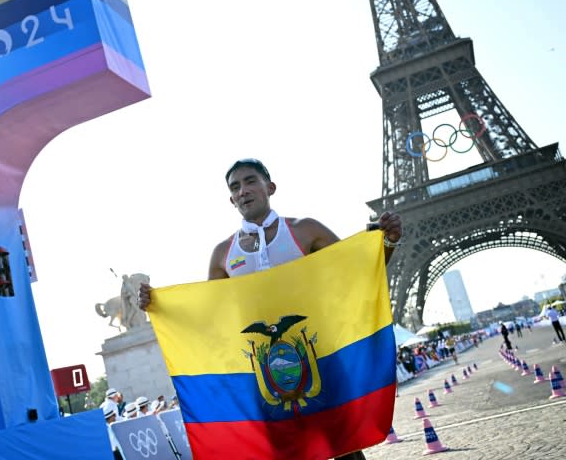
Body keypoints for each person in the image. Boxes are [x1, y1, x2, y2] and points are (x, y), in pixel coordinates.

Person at [139, 158, 402, 460]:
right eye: (235, 187)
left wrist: (389, 242)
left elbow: (358, 273)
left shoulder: (305, 230)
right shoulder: (223, 254)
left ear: (270, 187)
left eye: (250, 181)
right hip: (262, 373)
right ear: (231, 199)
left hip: (319, 357)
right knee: (285, 453)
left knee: (344, 449)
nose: (243, 191)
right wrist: (158, 307)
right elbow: (209, 316)